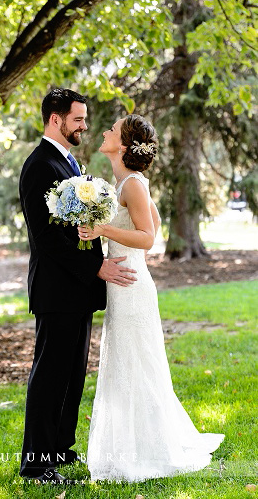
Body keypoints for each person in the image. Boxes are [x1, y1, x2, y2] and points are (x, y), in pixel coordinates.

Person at [81, 114, 224, 481]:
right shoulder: (126, 182)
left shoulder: (132, 185)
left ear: (124, 145)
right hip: (125, 280)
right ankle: (135, 444)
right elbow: (152, 224)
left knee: (135, 365)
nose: (104, 132)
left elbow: (148, 237)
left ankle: (146, 450)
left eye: (112, 130)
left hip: (130, 284)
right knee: (128, 363)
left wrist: (103, 229)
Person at [17, 88, 137, 483]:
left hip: (76, 292)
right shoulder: (40, 166)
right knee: (50, 376)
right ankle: (36, 463)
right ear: (56, 118)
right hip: (57, 290)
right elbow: (47, 239)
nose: (85, 126)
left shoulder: (67, 162)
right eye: (79, 119)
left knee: (71, 375)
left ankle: (58, 449)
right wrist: (97, 267)